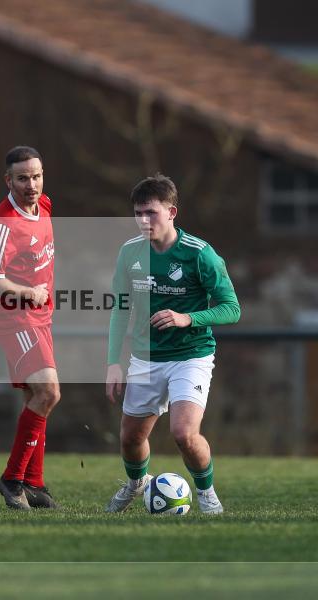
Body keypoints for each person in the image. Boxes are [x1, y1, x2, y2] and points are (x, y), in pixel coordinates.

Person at [104, 174, 240, 514]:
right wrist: (113, 362)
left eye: (150, 213)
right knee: (131, 439)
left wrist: (188, 318)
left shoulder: (200, 254)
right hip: (146, 357)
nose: (143, 220)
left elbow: (232, 309)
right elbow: (121, 311)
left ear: (171, 212)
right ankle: (137, 484)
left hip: (191, 356)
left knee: (183, 433)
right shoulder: (129, 253)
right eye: (138, 213)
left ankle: (206, 493)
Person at [0, 146, 60, 510]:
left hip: (40, 319)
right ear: (8, 180)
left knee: (35, 397)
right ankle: (12, 480)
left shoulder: (45, 207)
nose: (31, 184)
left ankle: (34, 484)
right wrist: (27, 292)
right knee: (49, 393)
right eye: (22, 178)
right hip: (14, 318)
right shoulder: (4, 222)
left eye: (36, 176)